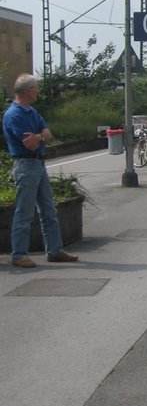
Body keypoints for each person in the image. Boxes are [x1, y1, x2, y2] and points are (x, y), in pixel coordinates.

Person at [3, 73, 79, 267]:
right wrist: (40, 136)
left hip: (37, 164)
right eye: (36, 88)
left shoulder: (31, 111)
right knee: (25, 212)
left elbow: (47, 134)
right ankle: (19, 254)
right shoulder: (14, 115)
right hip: (26, 164)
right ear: (29, 90)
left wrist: (40, 136)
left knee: (48, 210)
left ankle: (54, 250)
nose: (38, 91)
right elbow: (30, 143)